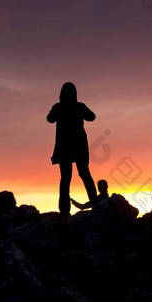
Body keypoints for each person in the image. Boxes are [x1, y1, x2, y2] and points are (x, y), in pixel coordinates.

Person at [47, 82, 98, 218]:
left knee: (65, 178)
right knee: (84, 174)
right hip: (79, 145)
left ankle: (64, 211)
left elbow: (49, 119)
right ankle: (96, 204)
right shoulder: (79, 106)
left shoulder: (58, 107)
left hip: (64, 146)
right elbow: (92, 116)